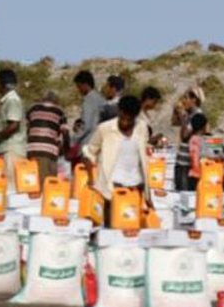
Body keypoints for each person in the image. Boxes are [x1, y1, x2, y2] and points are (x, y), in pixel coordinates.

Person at [81, 95, 151, 226]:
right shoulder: (105, 129)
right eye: (123, 118)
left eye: (129, 120)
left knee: (130, 228)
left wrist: (148, 195)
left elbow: (143, 158)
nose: (125, 122)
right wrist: (91, 178)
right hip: (112, 188)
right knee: (112, 228)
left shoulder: (141, 128)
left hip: (135, 187)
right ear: (119, 112)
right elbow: (89, 153)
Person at [0, 68, 27, 182]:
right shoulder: (7, 100)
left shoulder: (12, 100)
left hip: (12, 150)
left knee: (10, 188)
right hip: (7, 149)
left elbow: (14, 125)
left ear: (1, 84)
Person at [26, 91, 68, 180]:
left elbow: (28, 126)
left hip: (32, 149)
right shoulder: (59, 112)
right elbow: (65, 132)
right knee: (47, 182)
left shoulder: (32, 109)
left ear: (42, 99)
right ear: (56, 101)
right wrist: (66, 149)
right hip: (48, 151)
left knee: (32, 179)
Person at [172, 87, 204, 191]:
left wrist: (183, 117)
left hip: (187, 163)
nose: (184, 101)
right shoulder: (189, 114)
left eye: (186, 98)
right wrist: (176, 111)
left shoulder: (196, 115)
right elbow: (174, 122)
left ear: (194, 100)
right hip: (182, 159)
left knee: (184, 193)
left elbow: (185, 135)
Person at [73, 70, 105, 148]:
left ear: (85, 84)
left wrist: (73, 140)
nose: (79, 90)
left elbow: (86, 125)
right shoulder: (101, 99)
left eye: (79, 86)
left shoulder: (88, 100)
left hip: (88, 143)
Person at [187, 112, 210, 191]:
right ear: (204, 126)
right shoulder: (201, 140)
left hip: (193, 174)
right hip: (200, 175)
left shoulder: (192, 138)